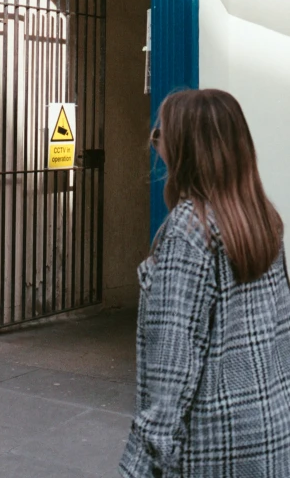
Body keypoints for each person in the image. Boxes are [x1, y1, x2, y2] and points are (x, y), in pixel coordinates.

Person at [120, 89, 290, 478]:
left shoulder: (189, 231)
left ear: (187, 152)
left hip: (213, 444)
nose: (156, 145)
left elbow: (172, 373)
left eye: (161, 137)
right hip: (270, 431)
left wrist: (140, 465)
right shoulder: (263, 218)